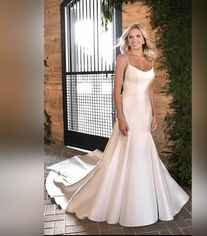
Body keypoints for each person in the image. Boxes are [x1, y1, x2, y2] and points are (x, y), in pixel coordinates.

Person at [46, 23, 190, 227]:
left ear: (143, 39)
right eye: (130, 37)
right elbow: (116, 91)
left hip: (144, 112)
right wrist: (121, 118)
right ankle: (128, 203)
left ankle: (146, 197)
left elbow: (150, 89)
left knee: (143, 152)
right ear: (127, 40)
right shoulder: (123, 59)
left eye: (138, 36)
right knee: (128, 152)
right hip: (129, 111)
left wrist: (155, 113)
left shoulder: (149, 59)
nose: (134, 40)